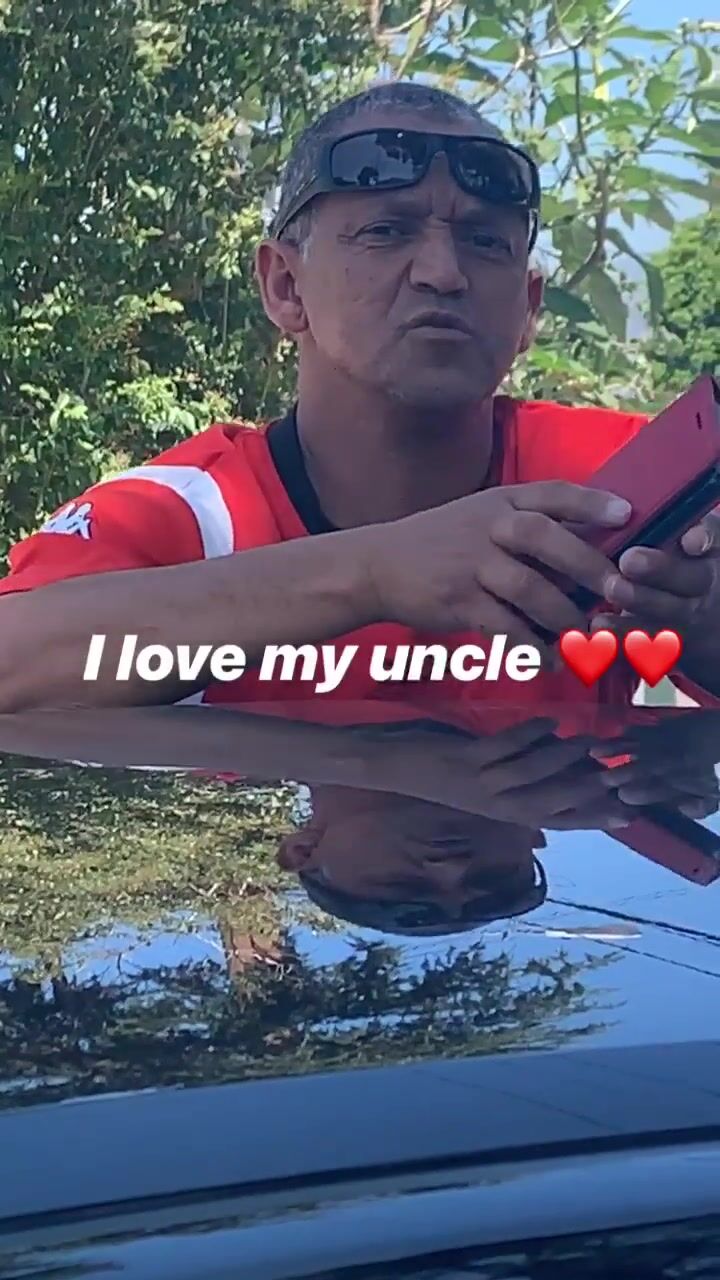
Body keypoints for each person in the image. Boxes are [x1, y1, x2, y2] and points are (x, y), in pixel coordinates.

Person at [2, 80, 720, 717]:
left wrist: (705, 626)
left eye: (485, 242)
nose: (442, 272)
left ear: (529, 308)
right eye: (386, 232)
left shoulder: (627, 482)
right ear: (284, 286)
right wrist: (373, 573)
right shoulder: (189, 511)